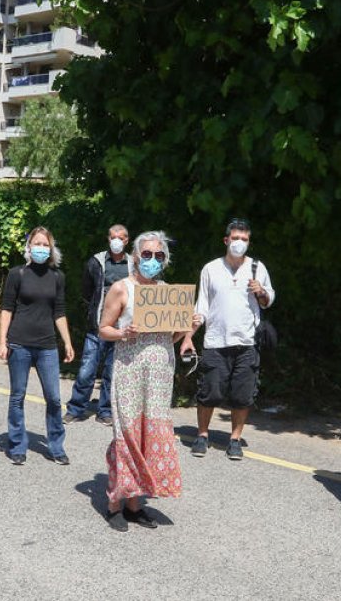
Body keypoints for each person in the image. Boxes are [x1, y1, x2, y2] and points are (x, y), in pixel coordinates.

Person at [97, 230, 186, 531]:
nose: (152, 260)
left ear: (165, 260)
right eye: (146, 254)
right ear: (136, 257)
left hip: (160, 374)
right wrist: (123, 333)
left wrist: (190, 329)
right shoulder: (122, 289)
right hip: (129, 369)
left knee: (149, 436)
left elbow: (170, 337)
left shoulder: (167, 292)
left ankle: (134, 504)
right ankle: (113, 503)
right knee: (127, 436)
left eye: (158, 255)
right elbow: (103, 329)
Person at [182, 218, 275, 460]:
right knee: (209, 392)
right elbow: (201, 306)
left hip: (247, 343)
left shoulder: (257, 268)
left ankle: (234, 439)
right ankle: (202, 435)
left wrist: (261, 292)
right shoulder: (211, 268)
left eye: (244, 239)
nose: (239, 243)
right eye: (235, 238)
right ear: (226, 240)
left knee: (242, 395)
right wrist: (188, 337)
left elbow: (268, 300)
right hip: (215, 341)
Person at [0, 226, 75, 465]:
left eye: (45, 244)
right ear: (28, 247)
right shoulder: (16, 274)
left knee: (53, 398)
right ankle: (18, 445)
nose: (41, 248)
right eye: (36, 243)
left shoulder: (57, 277)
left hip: (47, 345)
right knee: (17, 397)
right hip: (19, 343)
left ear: (51, 248)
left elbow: (59, 311)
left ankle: (56, 446)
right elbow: (7, 308)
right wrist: (2, 341)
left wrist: (67, 342)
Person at [65, 224, 132, 425]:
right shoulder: (96, 261)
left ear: (127, 240)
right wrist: (96, 311)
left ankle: (105, 411)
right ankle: (76, 409)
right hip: (97, 327)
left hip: (121, 329)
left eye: (120, 237)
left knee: (112, 373)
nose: (116, 241)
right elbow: (87, 291)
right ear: (108, 238)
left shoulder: (133, 264)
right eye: (113, 237)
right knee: (86, 370)